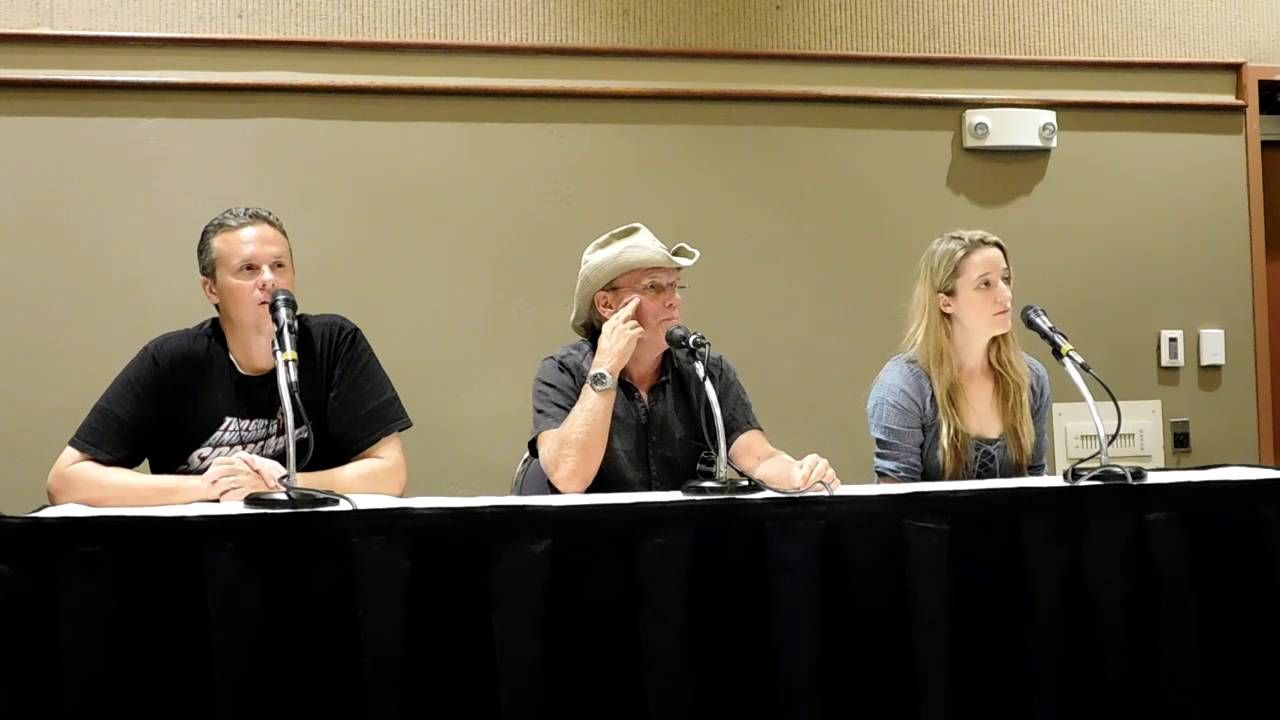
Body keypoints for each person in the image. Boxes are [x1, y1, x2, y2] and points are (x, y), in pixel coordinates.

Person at [46, 207, 412, 506]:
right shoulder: (172, 360)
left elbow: (389, 473)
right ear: (211, 289)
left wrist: (281, 484)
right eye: (248, 269)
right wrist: (211, 486)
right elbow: (66, 481)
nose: (268, 280)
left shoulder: (333, 343)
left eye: (279, 266)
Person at [528, 221, 839, 494]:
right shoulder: (562, 372)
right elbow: (569, 477)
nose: (673, 301)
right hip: (594, 540)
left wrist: (798, 473)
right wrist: (606, 368)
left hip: (685, 540)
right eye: (653, 287)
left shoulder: (705, 371)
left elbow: (758, 458)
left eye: (675, 286)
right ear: (607, 305)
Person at [866, 229, 1050, 483]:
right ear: (946, 303)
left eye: (1005, 279)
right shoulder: (903, 386)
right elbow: (895, 496)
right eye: (985, 284)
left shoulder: (1030, 377)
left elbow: (1037, 481)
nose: (1006, 295)